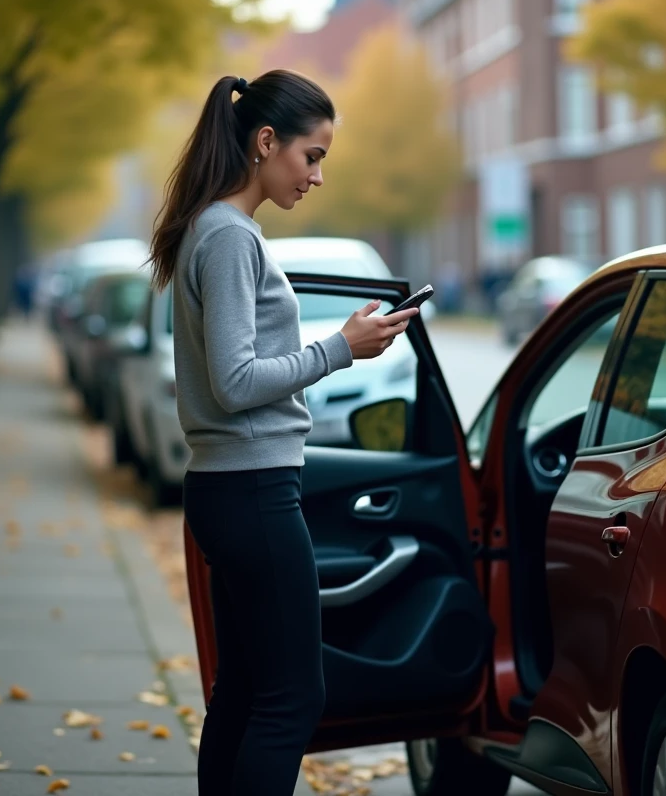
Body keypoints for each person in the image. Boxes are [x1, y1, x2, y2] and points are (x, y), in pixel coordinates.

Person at [146, 71, 419, 795]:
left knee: (242, 694)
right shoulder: (231, 237)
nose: (318, 175)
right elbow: (237, 383)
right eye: (312, 156)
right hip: (252, 490)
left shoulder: (216, 227)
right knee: (292, 700)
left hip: (228, 487)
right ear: (265, 143)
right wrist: (343, 348)